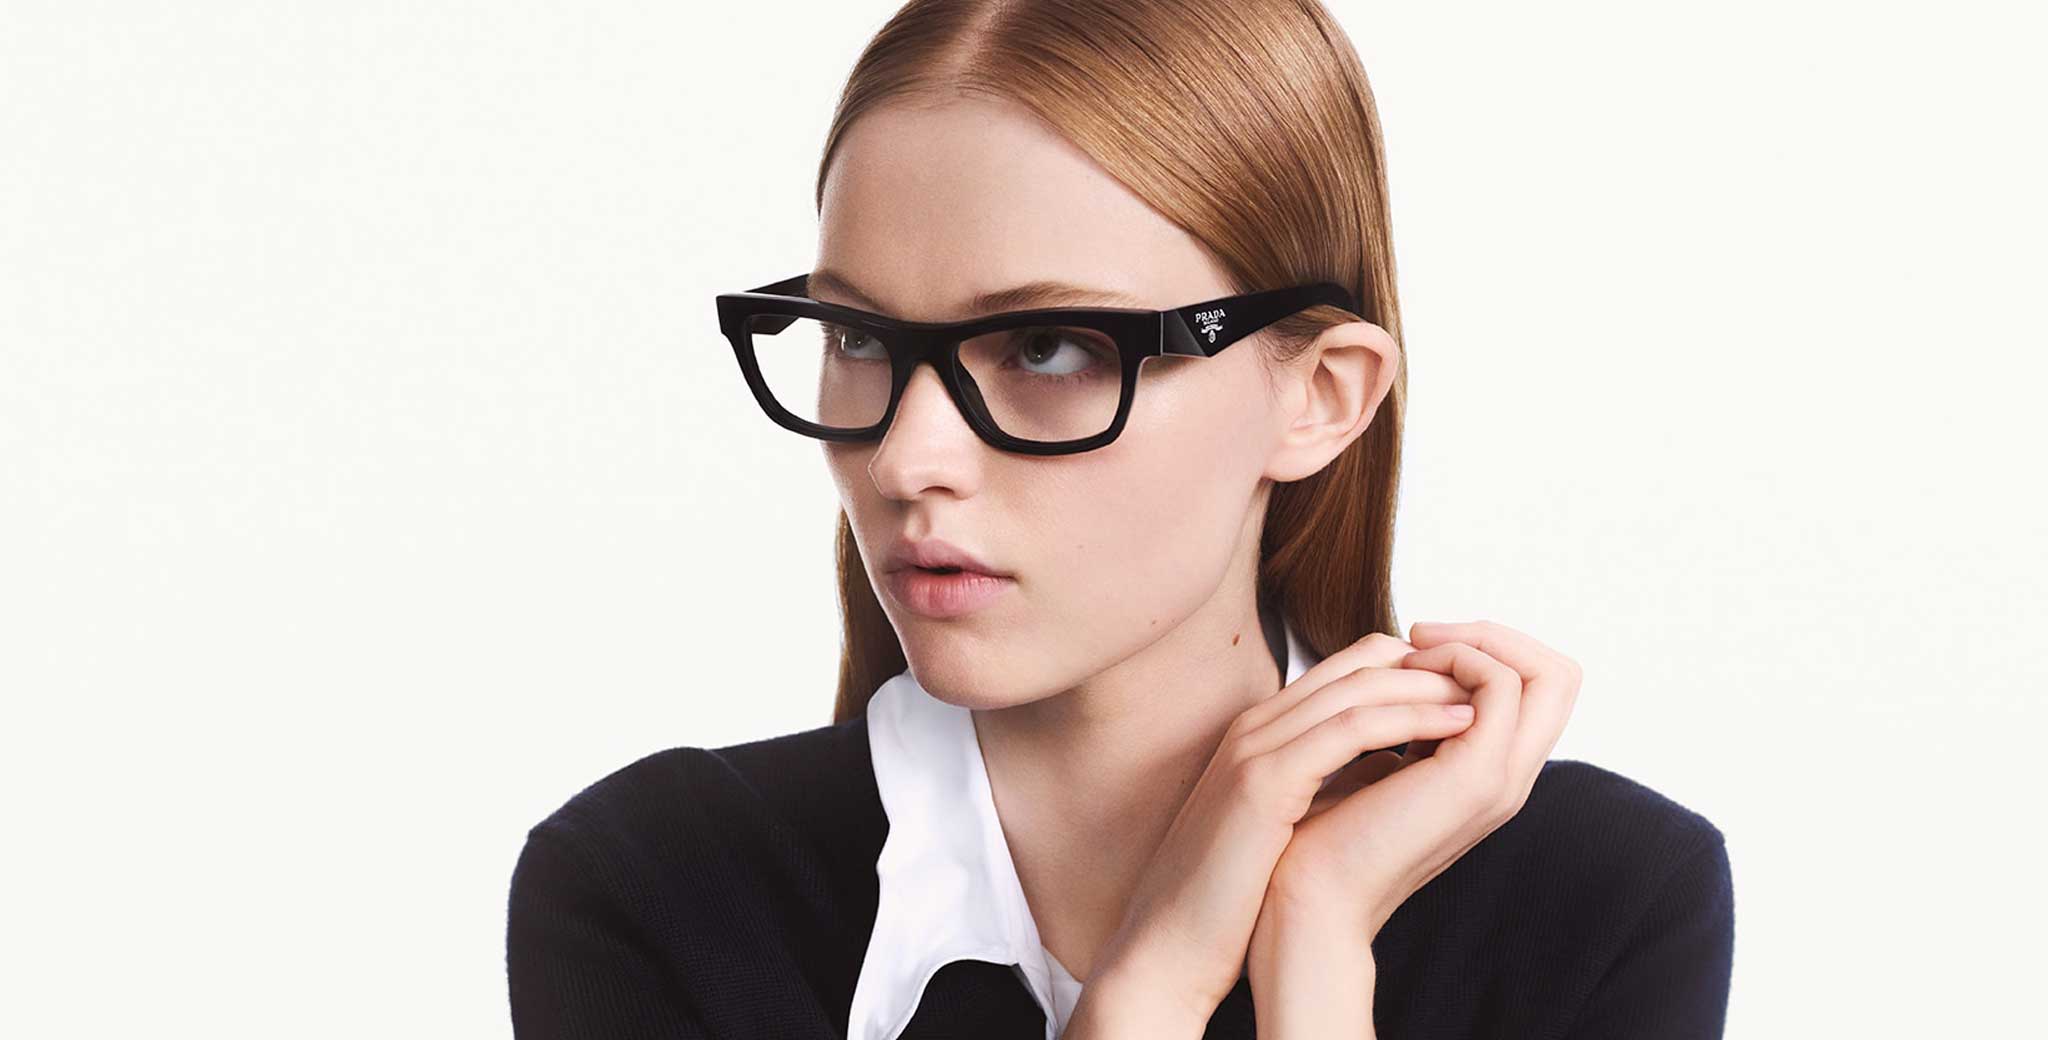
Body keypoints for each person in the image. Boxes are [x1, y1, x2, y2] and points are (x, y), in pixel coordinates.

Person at [505, 1, 1735, 1037]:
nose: (904, 456)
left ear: (1318, 396)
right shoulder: (654, 891)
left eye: (1049, 345)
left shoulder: (1595, 903)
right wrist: (1157, 976)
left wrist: (1313, 936)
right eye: (858, 338)